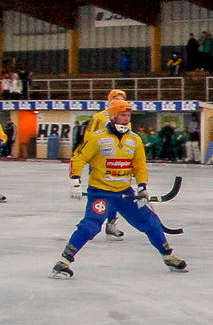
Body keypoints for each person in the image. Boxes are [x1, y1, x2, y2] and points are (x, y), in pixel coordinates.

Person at [52, 98, 186, 278]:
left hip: (125, 194)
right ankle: (63, 262)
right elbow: (78, 158)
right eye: (122, 115)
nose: (126, 118)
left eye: (128, 115)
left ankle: (168, 256)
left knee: (151, 222)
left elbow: (139, 166)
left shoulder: (134, 139)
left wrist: (142, 186)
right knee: (90, 226)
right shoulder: (97, 138)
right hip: (101, 193)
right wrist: (75, 181)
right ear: (113, 116)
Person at [73, 89, 129, 240]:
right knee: (99, 192)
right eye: (116, 98)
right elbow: (89, 137)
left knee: (117, 192)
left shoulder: (125, 117)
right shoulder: (99, 117)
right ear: (110, 100)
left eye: (122, 98)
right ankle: (91, 222)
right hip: (100, 161)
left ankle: (111, 224)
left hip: (117, 162)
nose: (120, 101)